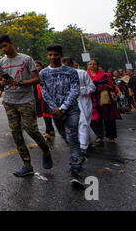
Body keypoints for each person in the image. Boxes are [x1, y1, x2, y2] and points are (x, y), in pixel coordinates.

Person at [0, 34, 53, 177]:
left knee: (31, 130)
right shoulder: (0, 63)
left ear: (12, 43)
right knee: (16, 133)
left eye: (5, 45)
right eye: (1, 47)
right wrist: (3, 83)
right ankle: (27, 165)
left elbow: (36, 78)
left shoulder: (26, 59)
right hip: (9, 101)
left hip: (26, 101)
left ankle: (45, 150)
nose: (4, 49)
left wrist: (20, 83)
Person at [39, 45, 84, 187]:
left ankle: (75, 169)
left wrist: (63, 108)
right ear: (47, 56)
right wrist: (55, 109)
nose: (53, 57)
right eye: (50, 55)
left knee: (72, 137)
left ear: (61, 55)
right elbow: (44, 93)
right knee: (65, 136)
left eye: (56, 55)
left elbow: (75, 89)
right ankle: (78, 156)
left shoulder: (71, 71)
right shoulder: (43, 73)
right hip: (55, 111)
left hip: (71, 110)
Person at [62, 57, 96, 156]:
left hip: (83, 101)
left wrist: (79, 90)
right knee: (76, 123)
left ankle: (83, 146)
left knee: (83, 123)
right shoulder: (61, 76)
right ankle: (89, 140)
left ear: (73, 64)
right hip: (69, 102)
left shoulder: (82, 73)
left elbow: (92, 87)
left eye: (67, 65)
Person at [87, 60, 121, 144]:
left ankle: (111, 136)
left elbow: (112, 87)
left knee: (109, 118)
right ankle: (99, 136)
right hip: (91, 99)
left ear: (98, 66)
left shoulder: (104, 75)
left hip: (104, 98)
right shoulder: (85, 75)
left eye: (94, 64)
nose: (92, 66)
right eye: (90, 64)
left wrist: (105, 86)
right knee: (94, 119)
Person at [34, 60, 55, 139]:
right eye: (34, 66)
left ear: (42, 66)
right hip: (38, 97)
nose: (36, 68)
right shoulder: (33, 76)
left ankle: (48, 131)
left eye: (37, 66)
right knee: (45, 114)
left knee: (47, 114)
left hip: (47, 97)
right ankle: (51, 130)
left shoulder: (46, 74)